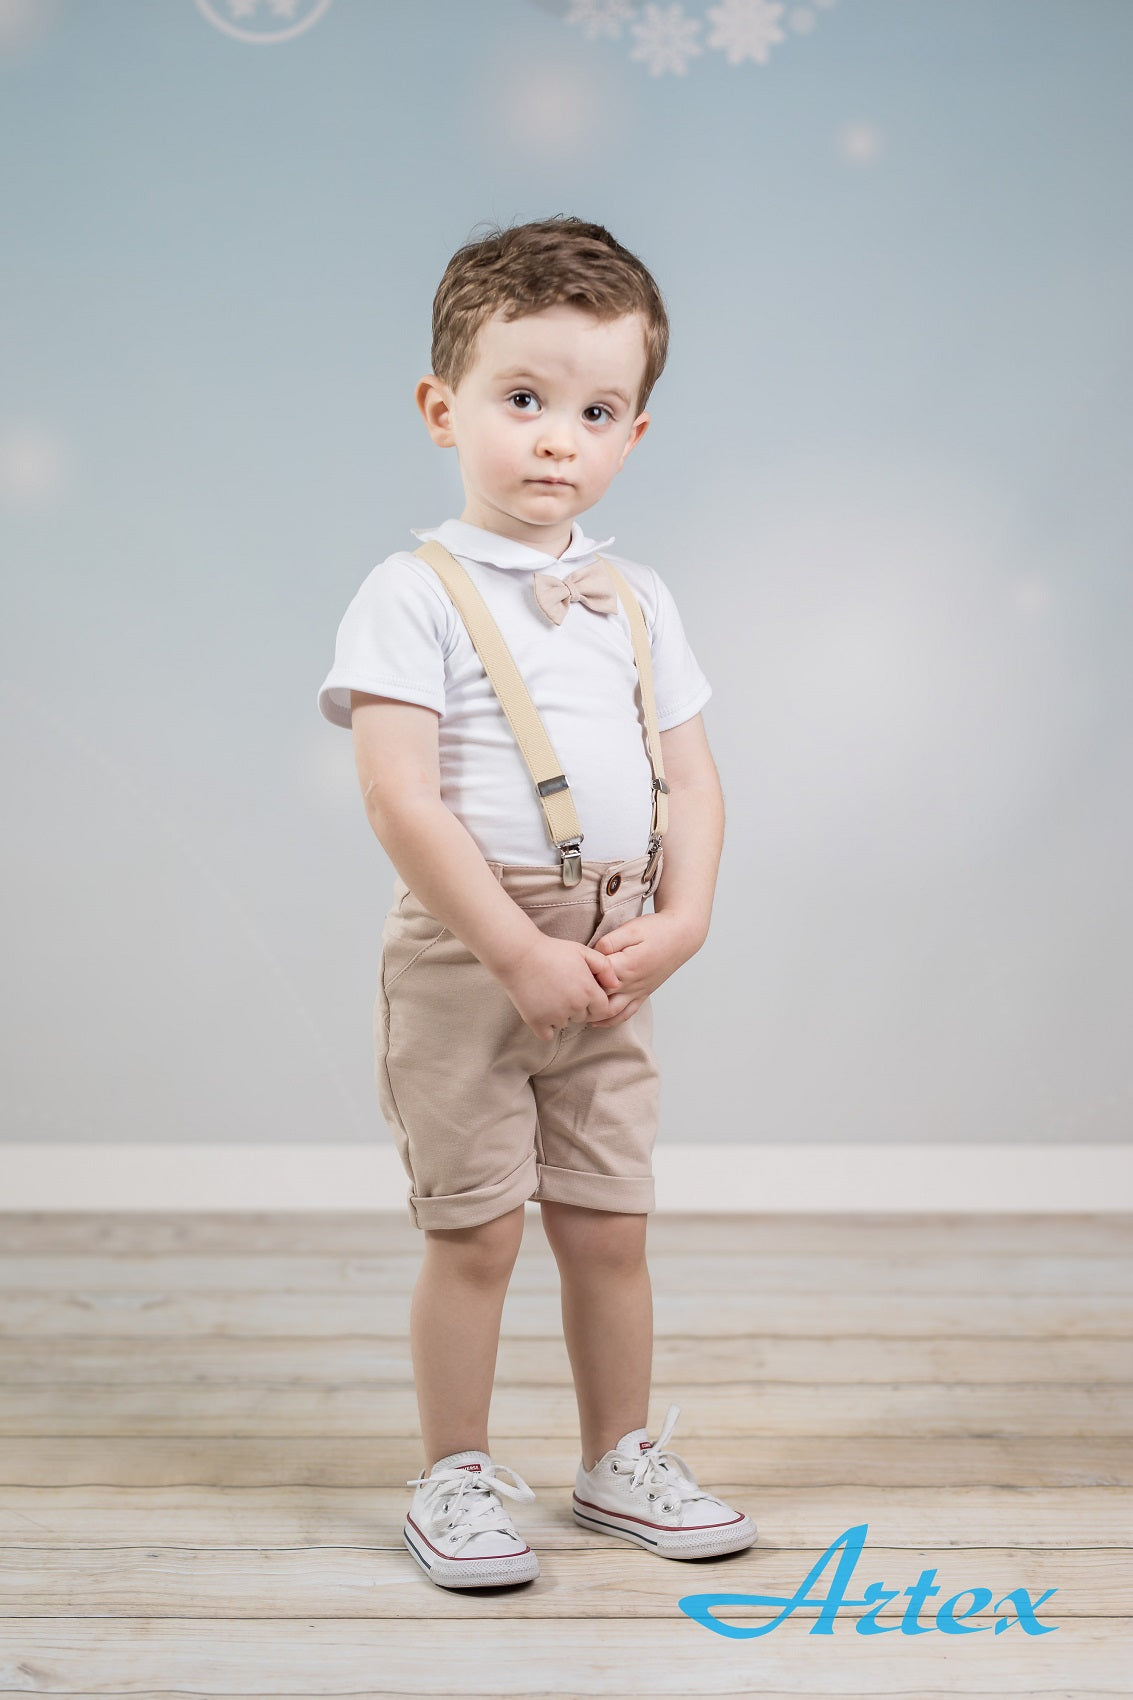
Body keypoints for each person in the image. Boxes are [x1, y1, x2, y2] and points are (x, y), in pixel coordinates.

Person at [317, 215, 756, 1589]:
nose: (557, 438)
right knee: (477, 1226)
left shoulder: (635, 598)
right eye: (522, 401)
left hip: (612, 949)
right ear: (443, 407)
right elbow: (402, 801)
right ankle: (452, 1472)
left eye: (595, 409)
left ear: (633, 430)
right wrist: (510, 948)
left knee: (605, 1220)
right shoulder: (411, 594)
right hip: (471, 950)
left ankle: (616, 1455)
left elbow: (695, 777)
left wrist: (679, 925)